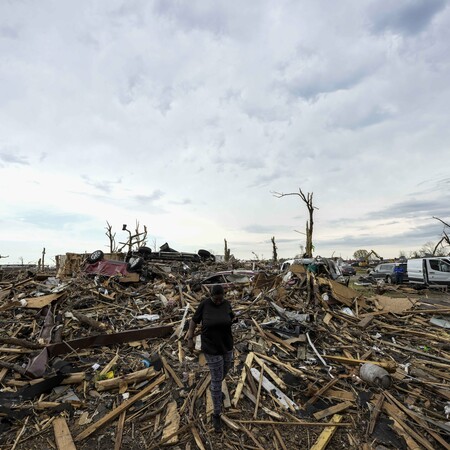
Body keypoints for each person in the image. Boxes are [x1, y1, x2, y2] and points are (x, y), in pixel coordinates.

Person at [187, 284, 235, 432]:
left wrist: (234, 318)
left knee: (225, 369)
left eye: (221, 299)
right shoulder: (205, 304)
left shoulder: (226, 304)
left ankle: (216, 390)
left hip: (226, 344)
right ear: (211, 295)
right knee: (216, 379)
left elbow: (231, 316)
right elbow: (194, 321)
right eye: (216, 299)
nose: (219, 301)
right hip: (211, 347)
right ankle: (216, 414)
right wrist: (190, 338)